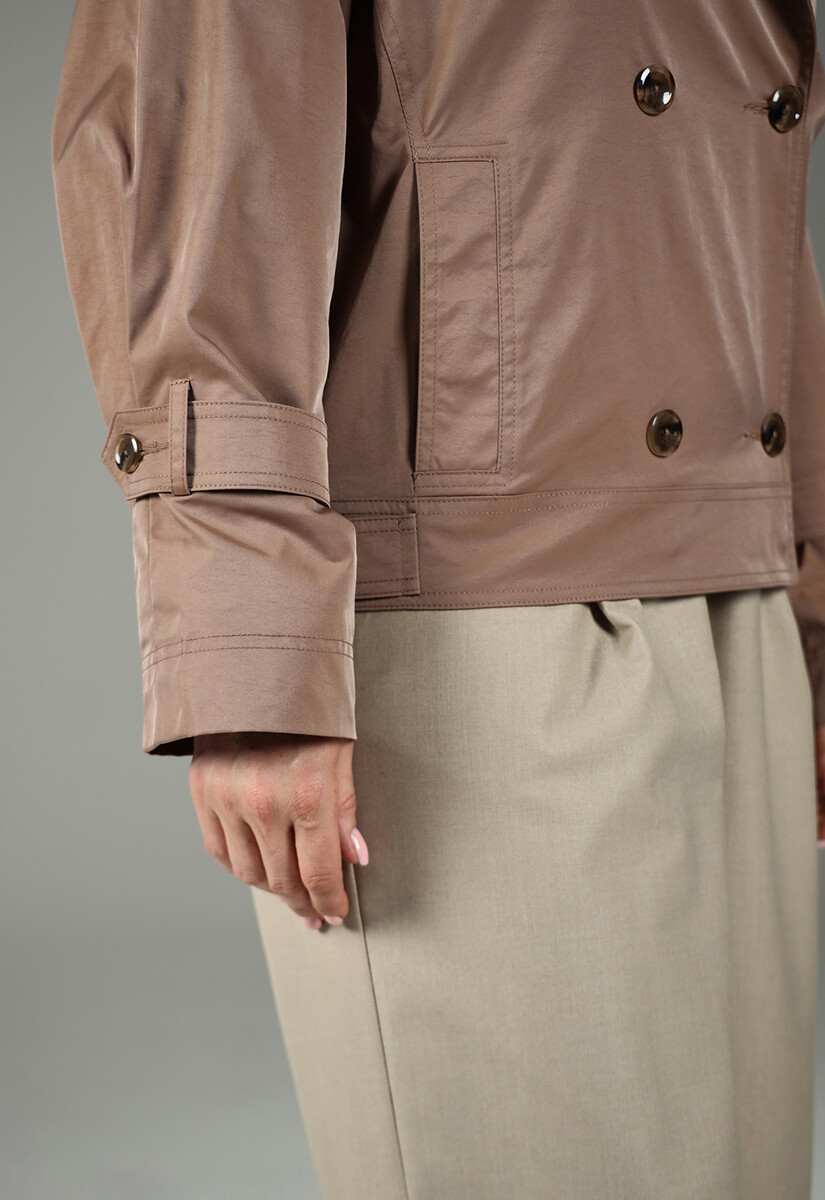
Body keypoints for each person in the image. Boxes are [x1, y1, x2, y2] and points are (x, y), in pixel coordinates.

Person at [51, 1, 825, 1196]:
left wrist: (810, 591)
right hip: (480, 622)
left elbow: (751, 191)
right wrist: (248, 658)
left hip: (743, 596)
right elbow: (207, 146)